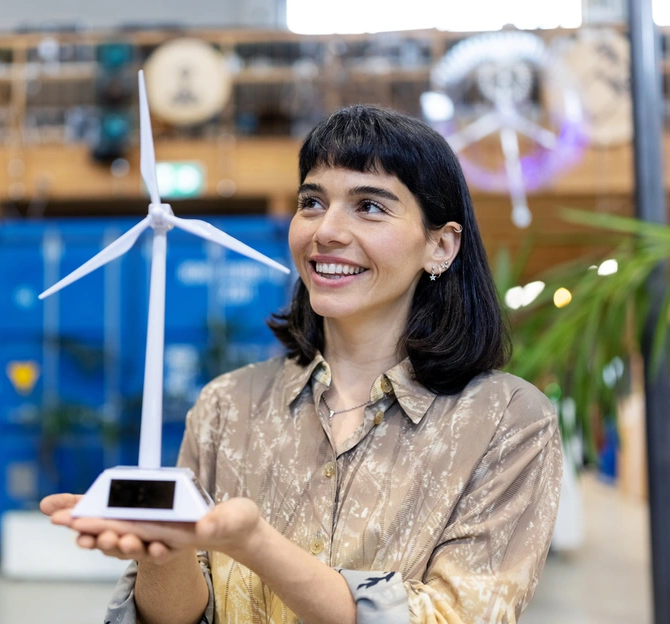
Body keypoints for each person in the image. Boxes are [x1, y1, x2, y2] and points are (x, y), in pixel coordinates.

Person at [42, 105, 562, 624]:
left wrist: (255, 544)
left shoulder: (506, 420)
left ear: (440, 245)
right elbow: (174, 616)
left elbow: (456, 617)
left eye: (370, 207)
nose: (326, 231)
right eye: (312, 202)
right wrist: (165, 549)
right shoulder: (227, 404)